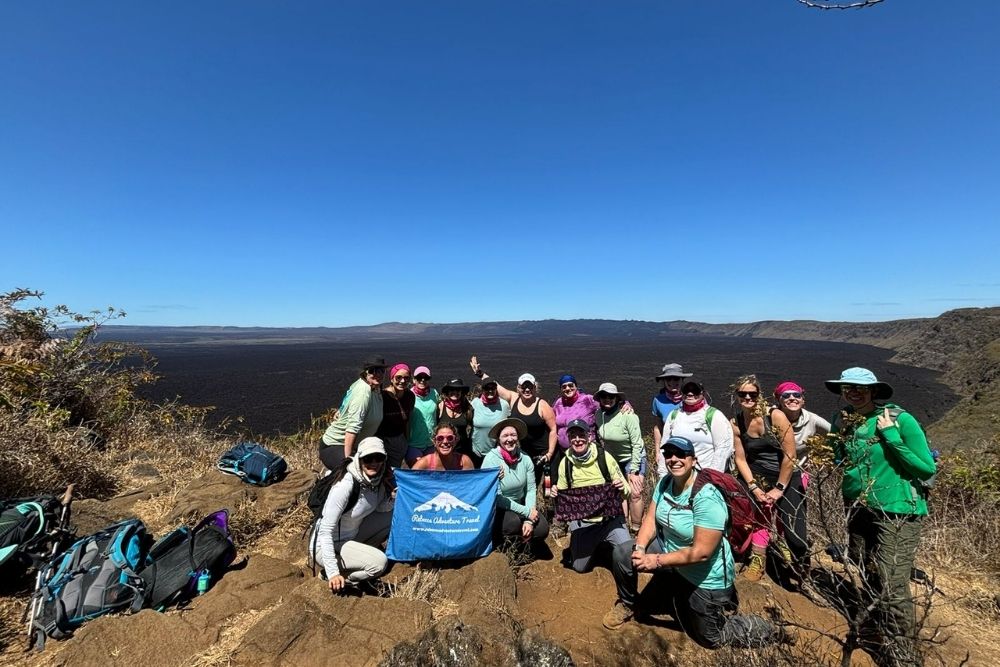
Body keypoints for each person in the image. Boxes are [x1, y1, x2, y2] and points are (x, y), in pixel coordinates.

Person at [605, 436, 787, 650]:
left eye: (681, 454)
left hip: (705, 576)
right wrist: (640, 548)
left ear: (693, 460)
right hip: (673, 558)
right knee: (623, 553)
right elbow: (651, 519)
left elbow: (702, 552)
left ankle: (774, 630)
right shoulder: (666, 482)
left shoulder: (706, 496)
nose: (674, 459)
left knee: (711, 638)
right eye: (669, 454)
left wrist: (656, 560)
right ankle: (629, 604)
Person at [826, 367, 936, 665]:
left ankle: (904, 656)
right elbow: (841, 459)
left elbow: (927, 468)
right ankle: (876, 629)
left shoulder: (900, 420)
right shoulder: (843, 419)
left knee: (891, 584)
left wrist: (890, 436)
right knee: (864, 567)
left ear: (874, 391)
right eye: (847, 387)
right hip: (858, 505)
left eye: (860, 388)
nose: (853, 392)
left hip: (897, 510)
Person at [550, 420, 632, 607]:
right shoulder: (565, 464)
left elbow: (627, 491)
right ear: (568, 439)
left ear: (589, 437)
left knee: (627, 557)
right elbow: (562, 498)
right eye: (573, 436)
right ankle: (595, 546)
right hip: (584, 523)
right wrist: (555, 493)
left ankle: (609, 544)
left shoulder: (604, 457)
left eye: (581, 435)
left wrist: (621, 487)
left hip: (610, 521)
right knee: (579, 568)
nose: (577, 440)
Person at [730, 375, 803, 581]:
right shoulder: (736, 422)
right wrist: (753, 487)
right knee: (745, 517)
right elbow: (740, 459)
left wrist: (779, 488)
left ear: (759, 395)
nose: (747, 397)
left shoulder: (776, 416)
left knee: (797, 537)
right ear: (736, 396)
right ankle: (757, 557)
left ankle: (798, 564)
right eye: (742, 394)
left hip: (786, 476)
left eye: (752, 394)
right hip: (756, 476)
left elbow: (790, 456)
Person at [311, 437, 394, 592]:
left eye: (379, 458)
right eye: (368, 458)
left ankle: (359, 556)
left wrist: (392, 499)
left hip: (351, 536)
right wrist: (333, 572)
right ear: (359, 458)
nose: (374, 463)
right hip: (327, 546)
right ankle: (338, 576)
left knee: (392, 516)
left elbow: (381, 508)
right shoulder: (345, 484)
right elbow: (325, 530)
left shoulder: (377, 478)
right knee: (379, 563)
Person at [469, 358, 557, 481]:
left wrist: (550, 453)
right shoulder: (514, 398)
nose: (527, 389)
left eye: (530, 386)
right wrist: (480, 373)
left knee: (548, 486)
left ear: (534, 388)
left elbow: (553, 429)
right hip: (525, 451)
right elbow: (495, 385)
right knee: (528, 482)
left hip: (544, 451)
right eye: (524, 387)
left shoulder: (542, 405)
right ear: (518, 388)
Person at [480, 417, 549, 556]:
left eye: (513, 435)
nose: (510, 439)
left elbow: (530, 489)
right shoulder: (491, 460)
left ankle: (523, 545)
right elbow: (497, 497)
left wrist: (529, 519)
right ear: (498, 439)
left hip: (520, 504)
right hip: (499, 508)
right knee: (512, 523)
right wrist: (526, 512)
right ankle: (504, 548)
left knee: (542, 529)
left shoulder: (525, 459)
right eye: (505, 435)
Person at [594, 382, 646, 533]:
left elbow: (637, 444)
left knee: (635, 492)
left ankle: (636, 528)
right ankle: (622, 525)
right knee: (620, 492)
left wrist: (634, 470)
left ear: (617, 398)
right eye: (604, 396)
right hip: (613, 459)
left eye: (611, 397)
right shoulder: (599, 415)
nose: (607, 399)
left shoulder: (628, 416)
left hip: (632, 457)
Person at [319, 357, 386, 471]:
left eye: (381, 370)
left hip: (353, 446)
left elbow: (347, 399)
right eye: (373, 371)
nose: (377, 374)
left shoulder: (374, 388)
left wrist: (341, 410)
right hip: (336, 444)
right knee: (354, 473)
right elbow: (352, 429)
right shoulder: (364, 392)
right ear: (365, 372)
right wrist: (348, 461)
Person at [658, 380, 733, 475]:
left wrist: (712, 477)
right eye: (686, 390)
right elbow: (664, 445)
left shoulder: (714, 415)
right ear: (681, 393)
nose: (690, 393)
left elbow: (723, 448)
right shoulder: (673, 415)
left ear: (703, 394)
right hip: (678, 477)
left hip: (706, 477)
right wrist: (663, 475)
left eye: (695, 390)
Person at [773, 380, 831, 456]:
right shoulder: (768, 416)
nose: (792, 398)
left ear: (803, 400)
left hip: (799, 465)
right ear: (778, 400)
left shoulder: (812, 419)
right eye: (786, 395)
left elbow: (835, 434)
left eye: (797, 395)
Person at [375, 363, 415, 469]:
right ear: (391, 379)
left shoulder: (410, 396)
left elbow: (408, 420)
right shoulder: (382, 396)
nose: (402, 381)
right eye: (398, 377)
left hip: (399, 442)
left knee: (393, 472)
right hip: (381, 440)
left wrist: (406, 440)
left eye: (406, 378)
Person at [469, 377, 511, 468]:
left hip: (496, 453)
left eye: (492, 388)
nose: (490, 391)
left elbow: (508, 426)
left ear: (496, 389)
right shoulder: (475, 403)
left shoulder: (504, 405)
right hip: (476, 453)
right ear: (482, 390)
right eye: (487, 388)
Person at [405, 366, 439, 466]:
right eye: (419, 377)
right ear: (414, 379)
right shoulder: (408, 395)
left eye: (426, 378)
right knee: (419, 470)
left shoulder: (434, 393)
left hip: (431, 443)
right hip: (414, 443)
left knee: (432, 471)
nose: (422, 380)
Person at [436, 378, 475, 459]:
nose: (455, 392)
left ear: (462, 392)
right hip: (444, 449)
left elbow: (473, 428)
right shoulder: (440, 406)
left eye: (458, 390)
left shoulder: (467, 408)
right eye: (452, 389)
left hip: (462, 451)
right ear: (447, 392)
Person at [410, 423, 475, 471]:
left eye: (450, 438)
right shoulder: (424, 464)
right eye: (440, 438)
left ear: (456, 441)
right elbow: (410, 484)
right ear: (434, 441)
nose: (445, 442)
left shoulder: (464, 462)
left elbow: (472, 485)